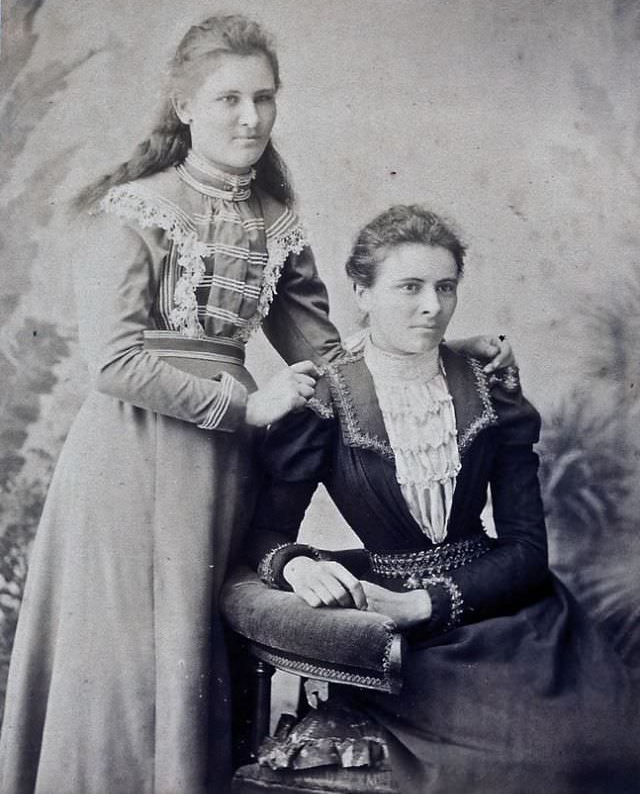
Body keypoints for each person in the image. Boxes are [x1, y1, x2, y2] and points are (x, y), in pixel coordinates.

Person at [0, 17, 512, 794]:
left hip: (227, 471)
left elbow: (331, 359)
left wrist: (439, 351)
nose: (249, 118)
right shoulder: (133, 211)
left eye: (263, 99)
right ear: (181, 105)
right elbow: (114, 362)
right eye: (227, 99)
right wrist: (244, 409)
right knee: (127, 659)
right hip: (131, 461)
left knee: (203, 648)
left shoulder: (275, 222)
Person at [246, 205, 638, 794]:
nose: (432, 306)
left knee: (609, 749)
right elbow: (262, 534)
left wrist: (425, 604)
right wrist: (297, 563)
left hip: (510, 612)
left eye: (445, 287)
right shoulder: (325, 401)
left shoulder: (491, 388)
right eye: (410, 287)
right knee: (503, 769)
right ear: (362, 292)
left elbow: (529, 551)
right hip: (399, 642)